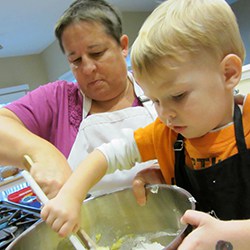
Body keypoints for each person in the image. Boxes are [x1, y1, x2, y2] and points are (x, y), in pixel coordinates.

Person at [40, 0, 250, 249]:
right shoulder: (167, 134)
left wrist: (230, 235)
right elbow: (108, 154)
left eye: (178, 96)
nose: (166, 114)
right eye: (156, 100)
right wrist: (71, 195)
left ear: (228, 73)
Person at [0, 0, 157, 198]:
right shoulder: (57, 99)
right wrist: (40, 152)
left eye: (97, 53)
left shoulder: (155, 83)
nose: (88, 68)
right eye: (76, 60)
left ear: (123, 46)